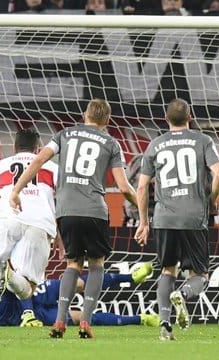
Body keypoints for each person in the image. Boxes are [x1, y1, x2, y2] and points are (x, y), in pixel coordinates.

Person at [10, 98, 138, 339]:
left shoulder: (64, 135)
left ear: (84, 115)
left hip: (66, 211)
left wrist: (16, 190)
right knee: (96, 264)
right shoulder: (112, 143)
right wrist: (142, 213)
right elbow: (123, 186)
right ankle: (85, 322)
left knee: (73, 265)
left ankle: (60, 321)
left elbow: (38, 160)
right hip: (94, 211)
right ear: (107, 120)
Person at [134, 98, 219, 341]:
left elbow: (141, 188)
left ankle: (165, 325)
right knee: (200, 275)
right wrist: (212, 199)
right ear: (190, 118)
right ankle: (183, 294)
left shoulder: (155, 144)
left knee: (167, 271)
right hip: (193, 217)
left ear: (165, 119)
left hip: (163, 218)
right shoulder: (204, 141)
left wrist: (144, 222)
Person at [0, 128, 59, 338]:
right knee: (28, 289)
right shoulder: (52, 167)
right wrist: (62, 238)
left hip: (8, 219)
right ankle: (10, 275)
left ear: (14, 148)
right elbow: (62, 204)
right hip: (40, 224)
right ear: (38, 149)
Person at [0, 245, 159, 328]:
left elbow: (16, 286)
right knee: (81, 317)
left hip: (33, 296)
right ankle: (141, 319)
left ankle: (132, 278)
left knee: (78, 282)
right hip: (18, 318)